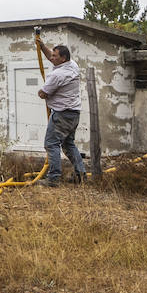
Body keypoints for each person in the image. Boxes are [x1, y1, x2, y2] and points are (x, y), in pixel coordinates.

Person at [35, 32, 87, 186]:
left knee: (51, 144)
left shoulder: (57, 75)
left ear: (62, 59)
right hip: (74, 114)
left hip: (62, 115)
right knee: (68, 144)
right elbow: (50, 55)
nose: (52, 58)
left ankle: (53, 179)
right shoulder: (72, 65)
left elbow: (43, 93)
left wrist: (40, 92)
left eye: (55, 56)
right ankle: (81, 175)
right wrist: (42, 46)